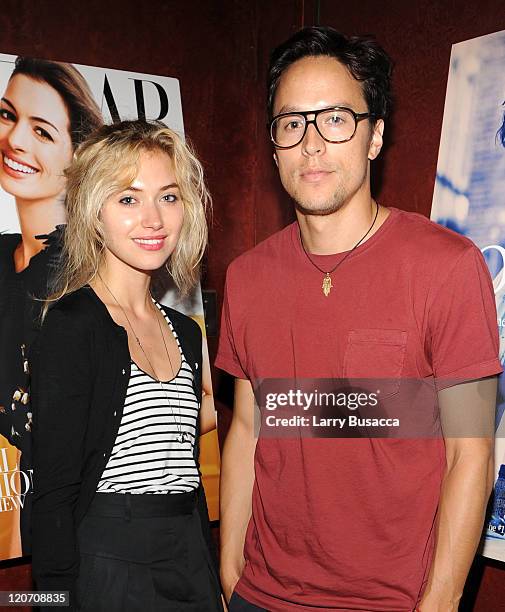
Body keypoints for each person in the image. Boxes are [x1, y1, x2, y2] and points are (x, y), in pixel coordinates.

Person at [216, 26, 501, 612]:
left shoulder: (448, 267)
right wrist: (230, 570)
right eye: (292, 123)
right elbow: (247, 430)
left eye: (336, 119)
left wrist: (442, 601)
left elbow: (470, 450)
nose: (312, 144)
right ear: (274, 144)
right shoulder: (247, 278)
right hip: (261, 596)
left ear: (373, 137)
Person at [30, 120, 223, 611]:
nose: (154, 219)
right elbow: (53, 493)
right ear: (95, 214)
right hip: (107, 562)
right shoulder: (72, 325)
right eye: (129, 199)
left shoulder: (186, 330)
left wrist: (211, 578)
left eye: (169, 196)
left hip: (188, 556)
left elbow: (190, 474)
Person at [0, 57, 102, 553]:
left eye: (41, 131)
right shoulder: (2, 259)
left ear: (77, 157)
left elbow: (200, 404)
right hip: (23, 519)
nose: (15, 139)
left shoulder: (88, 276)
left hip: (91, 531)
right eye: (6, 115)